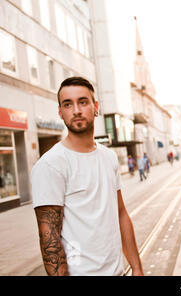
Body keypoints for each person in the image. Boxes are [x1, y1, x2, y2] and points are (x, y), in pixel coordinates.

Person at [31, 77, 143, 276]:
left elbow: (121, 213)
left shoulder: (108, 157)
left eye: (83, 102)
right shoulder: (51, 164)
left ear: (96, 107)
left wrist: (136, 267)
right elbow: (50, 238)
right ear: (60, 112)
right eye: (68, 104)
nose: (76, 110)